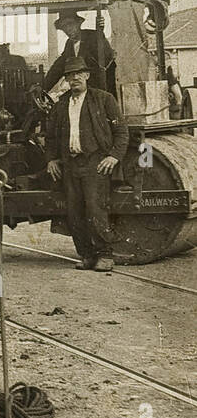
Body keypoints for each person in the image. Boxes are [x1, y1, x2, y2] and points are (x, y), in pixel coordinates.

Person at [45, 57, 128, 272]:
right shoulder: (61, 104)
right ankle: (86, 255)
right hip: (70, 164)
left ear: (87, 76)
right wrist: (51, 159)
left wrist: (113, 156)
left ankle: (105, 255)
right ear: (65, 79)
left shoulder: (103, 99)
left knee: (95, 208)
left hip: (95, 163)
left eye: (78, 74)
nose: (74, 78)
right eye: (70, 75)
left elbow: (121, 131)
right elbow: (51, 137)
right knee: (74, 212)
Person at [44, 11, 115, 93]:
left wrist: (100, 32)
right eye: (64, 27)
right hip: (81, 90)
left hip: (100, 88)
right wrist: (44, 87)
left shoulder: (93, 36)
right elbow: (58, 67)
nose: (68, 29)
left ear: (78, 23)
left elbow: (107, 57)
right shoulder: (69, 44)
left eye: (71, 25)